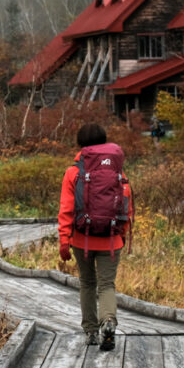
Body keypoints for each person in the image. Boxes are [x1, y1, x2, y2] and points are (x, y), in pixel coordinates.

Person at [58, 123, 133, 351]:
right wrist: (121, 233)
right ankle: (108, 321)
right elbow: (125, 204)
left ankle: (91, 331)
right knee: (107, 284)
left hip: (82, 239)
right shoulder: (117, 171)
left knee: (87, 283)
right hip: (111, 239)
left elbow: (66, 209)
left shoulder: (73, 172)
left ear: (80, 144)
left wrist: (64, 241)